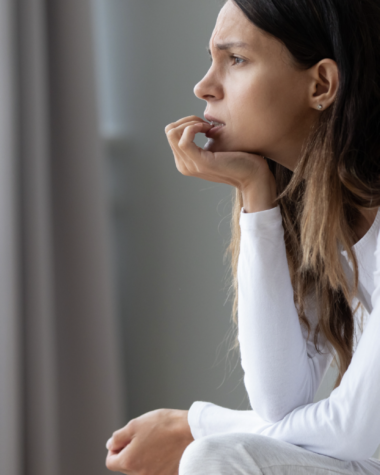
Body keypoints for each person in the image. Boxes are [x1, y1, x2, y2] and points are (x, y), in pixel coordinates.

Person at [105, 0, 380, 473]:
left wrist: (197, 425)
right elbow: (279, 399)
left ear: (321, 85)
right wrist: (256, 192)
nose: (204, 86)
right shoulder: (321, 218)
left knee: (215, 454)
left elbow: (351, 430)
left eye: (235, 60)